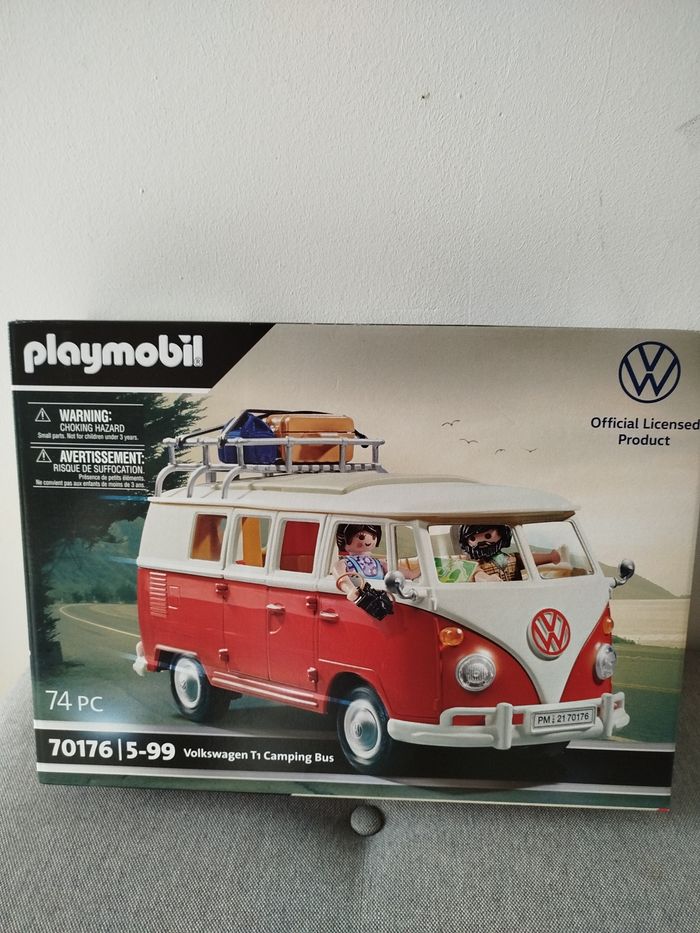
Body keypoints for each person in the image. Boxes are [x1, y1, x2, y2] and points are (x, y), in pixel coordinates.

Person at [332, 524, 420, 618]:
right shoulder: (344, 563)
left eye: (374, 536)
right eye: (361, 537)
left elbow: (405, 573)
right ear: (345, 539)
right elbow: (341, 578)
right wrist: (350, 589)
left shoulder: (380, 563)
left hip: (380, 600)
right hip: (361, 602)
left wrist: (417, 571)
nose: (369, 540)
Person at [458, 524, 561, 583]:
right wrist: (487, 579)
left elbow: (527, 559)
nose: (481, 542)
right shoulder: (472, 563)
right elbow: (476, 573)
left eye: (488, 536)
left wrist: (550, 557)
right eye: (473, 538)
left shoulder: (512, 558)